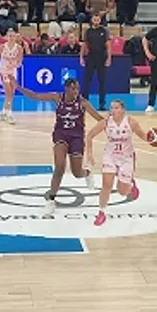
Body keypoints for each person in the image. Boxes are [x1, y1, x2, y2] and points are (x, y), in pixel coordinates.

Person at [17, 78, 105, 213]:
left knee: (77, 173)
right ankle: (51, 199)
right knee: (59, 167)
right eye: (73, 88)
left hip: (76, 137)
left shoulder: (83, 103)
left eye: (77, 88)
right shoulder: (57, 98)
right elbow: (35, 96)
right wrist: (17, 87)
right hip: (61, 135)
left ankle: (87, 173)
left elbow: (99, 119)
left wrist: (115, 122)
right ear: (66, 88)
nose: (76, 91)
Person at [85, 99, 153, 226]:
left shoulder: (131, 122)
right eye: (111, 108)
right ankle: (101, 212)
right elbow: (89, 136)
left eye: (116, 108)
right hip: (110, 156)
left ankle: (131, 186)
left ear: (123, 110)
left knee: (122, 192)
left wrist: (153, 138)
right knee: (107, 185)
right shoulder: (105, 122)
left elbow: (144, 136)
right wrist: (89, 154)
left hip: (127, 158)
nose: (113, 110)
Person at [0, 29, 28, 123]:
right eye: (9, 36)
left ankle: (3, 113)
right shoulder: (1, 47)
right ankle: (9, 114)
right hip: (3, 71)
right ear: (6, 37)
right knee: (8, 92)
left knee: (11, 94)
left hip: (12, 72)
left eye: (13, 36)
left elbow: (20, 61)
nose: (11, 38)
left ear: (16, 37)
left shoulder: (19, 48)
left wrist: (15, 65)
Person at [80, 12, 111, 110]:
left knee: (102, 81)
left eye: (98, 19)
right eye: (94, 19)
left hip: (101, 57)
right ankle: (84, 102)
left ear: (100, 20)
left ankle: (102, 103)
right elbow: (84, 45)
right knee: (87, 81)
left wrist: (109, 58)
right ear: (91, 20)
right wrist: (81, 57)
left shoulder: (104, 30)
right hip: (90, 57)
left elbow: (108, 45)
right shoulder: (88, 31)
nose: (96, 21)